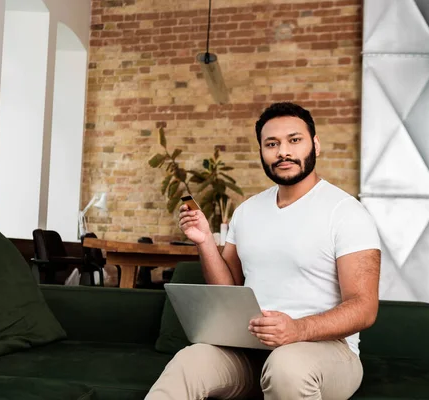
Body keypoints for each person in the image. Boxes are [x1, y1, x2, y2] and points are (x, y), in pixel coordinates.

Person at [146, 102, 381, 400]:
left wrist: (298, 329)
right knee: (189, 361)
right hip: (250, 349)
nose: (283, 151)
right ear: (262, 152)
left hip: (328, 351)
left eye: (294, 140)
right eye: (272, 144)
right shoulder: (248, 211)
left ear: (315, 145)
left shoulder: (347, 213)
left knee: (286, 367)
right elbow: (227, 289)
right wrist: (205, 241)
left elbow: (364, 307)